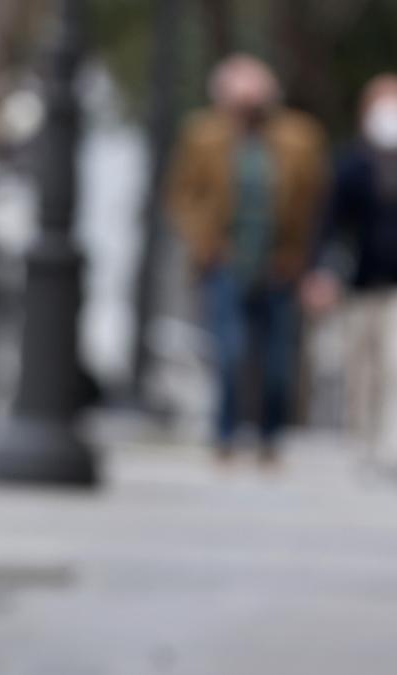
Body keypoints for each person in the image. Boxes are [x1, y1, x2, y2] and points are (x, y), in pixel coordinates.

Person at [166, 54, 326, 465]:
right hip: (226, 264)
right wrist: (206, 244)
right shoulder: (203, 135)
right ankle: (225, 434)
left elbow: (315, 204)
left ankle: (270, 437)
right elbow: (182, 196)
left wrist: (304, 260)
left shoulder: (300, 137)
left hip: (279, 264)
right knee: (231, 351)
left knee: (276, 360)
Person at [303, 74, 397, 475]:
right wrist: (320, 272)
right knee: (361, 367)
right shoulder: (353, 163)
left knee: (394, 363)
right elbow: (330, 223)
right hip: (359, 282)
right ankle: (364, 441)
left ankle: (391, 443)